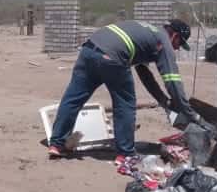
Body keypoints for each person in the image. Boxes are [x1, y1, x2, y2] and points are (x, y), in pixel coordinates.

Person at [45, 19, 201, 158]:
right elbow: (172, 81)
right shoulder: (163, 42)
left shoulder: (147, 33)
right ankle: (125, 154)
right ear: (175, 36)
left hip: (89, 51)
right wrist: (189, 112)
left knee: (73, 98)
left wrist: (163, 101)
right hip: (113, 56)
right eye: (179, 44)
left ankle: (57, 144)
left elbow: (145, 75)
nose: (177, 49)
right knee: (125, 104)